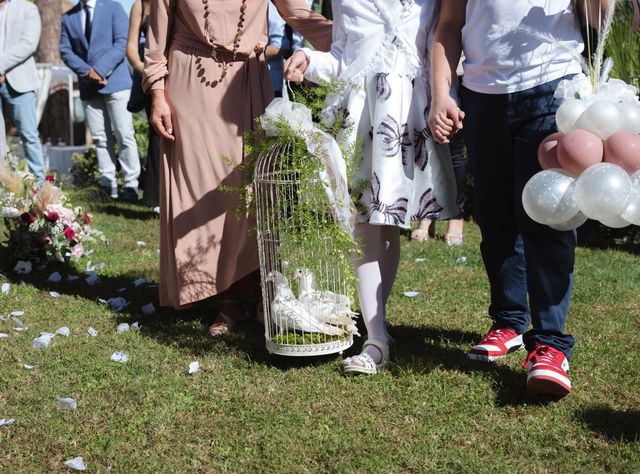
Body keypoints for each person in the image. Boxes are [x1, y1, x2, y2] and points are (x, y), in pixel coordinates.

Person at [429, 0, 609, 396]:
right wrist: (441, 93)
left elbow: (597, 16)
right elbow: (449, 23)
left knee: (548, 215)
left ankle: (550, 344)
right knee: (495, 218)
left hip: (553, 88)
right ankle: (509, 322)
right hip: (482, 95)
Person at [285, 0, 458, 374]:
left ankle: (377, 324)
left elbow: (441, 48)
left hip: (407, 115)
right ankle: (376, 338)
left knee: (388, 227)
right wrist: (309, 60)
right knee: (362, 223)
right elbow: (342, 59)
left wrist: (447, 99)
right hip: (361, 117)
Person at [143, 0, 332, 335]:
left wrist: (356, 42)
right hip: (190, 85)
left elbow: (298, 13)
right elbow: (157, 34)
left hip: (246, 83)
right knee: (206, 189)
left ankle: (257, 285)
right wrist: (157, 92)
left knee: (249, 189)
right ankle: (225, 296)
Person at [60, 0, 141, 200]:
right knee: (100, 138)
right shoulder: (68, 17)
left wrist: (100, 69)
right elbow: (65, 50)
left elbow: (122, 41)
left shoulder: (113, 8)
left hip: (117, 84)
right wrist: (88, 72)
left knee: (124, 135)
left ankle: (131, 185)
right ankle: (107, 185)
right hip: (89, 87)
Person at [0, 0, 45, 180]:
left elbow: (28, 44)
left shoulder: (28, 8)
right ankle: (4, 186)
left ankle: (40, 187)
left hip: (19, 82)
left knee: (29, 135)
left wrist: (0, 66)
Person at [126, 0, 160, 210]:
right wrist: (143, 69)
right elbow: (130, 47)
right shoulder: (140, 4)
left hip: (180, 73)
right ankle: (156, 198)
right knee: (156, 136)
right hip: (152, 77)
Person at [266, 2, 291, 98]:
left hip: (270, 84)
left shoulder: (267, 6)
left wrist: (247, 55)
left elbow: (280, 47)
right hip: (243, 83)